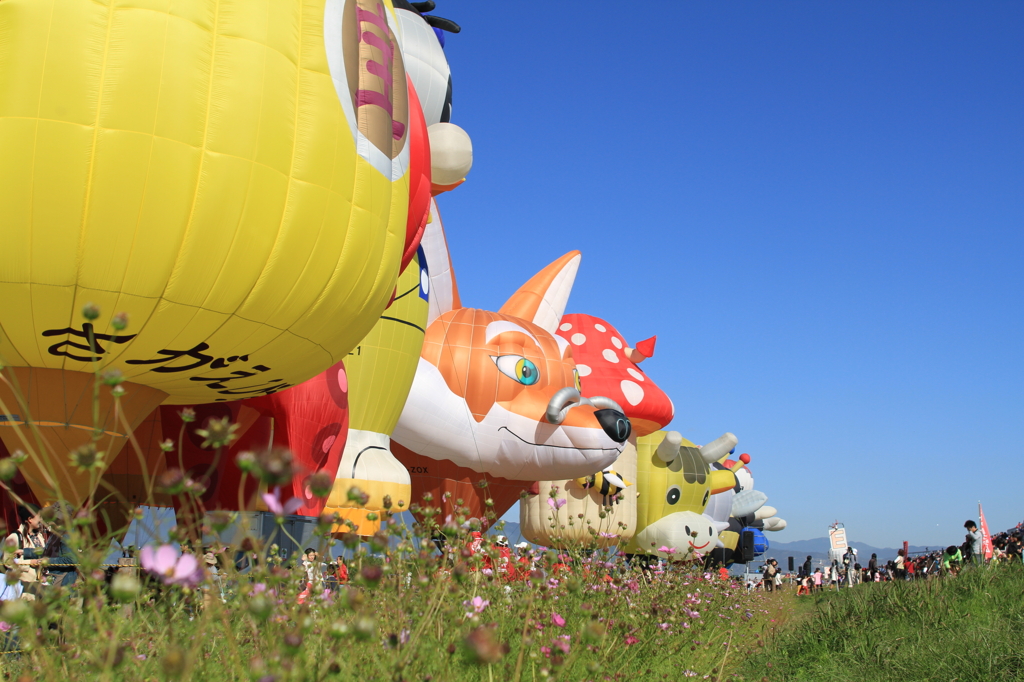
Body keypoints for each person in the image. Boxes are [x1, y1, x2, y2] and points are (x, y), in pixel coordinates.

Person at [20, 502, 78, 588]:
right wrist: (25, 552)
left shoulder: (67, 534)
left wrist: (47, 561)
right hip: (51, 580)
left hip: (62, 583)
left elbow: (70, 560)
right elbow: (49, 551)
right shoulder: (58, 530)